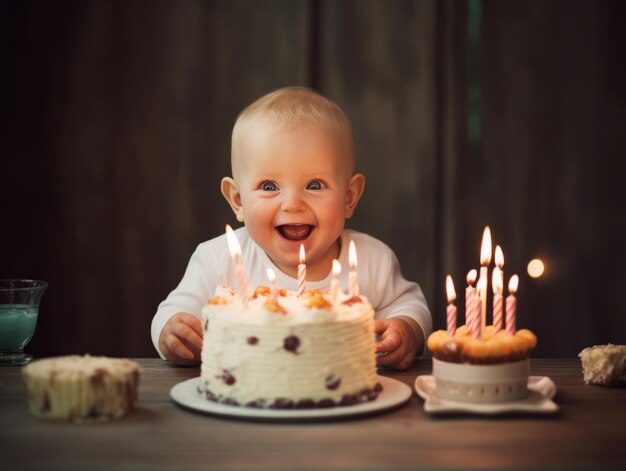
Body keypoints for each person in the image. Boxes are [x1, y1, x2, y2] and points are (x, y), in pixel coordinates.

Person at [151, 86, 431, 370]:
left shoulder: (373, 259)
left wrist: (407, 329)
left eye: (314, 185)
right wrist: (171, 332)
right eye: (269, 186)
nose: (293, 204)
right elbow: (173, 311)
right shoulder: (217, 259)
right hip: (241, 404)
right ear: (238, 200)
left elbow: (410, 305)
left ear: (349, 197)